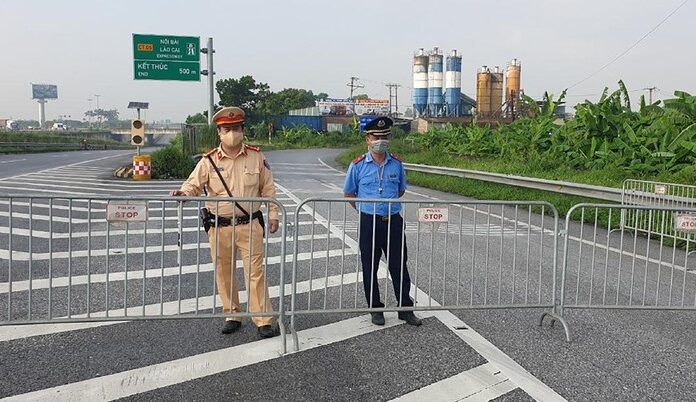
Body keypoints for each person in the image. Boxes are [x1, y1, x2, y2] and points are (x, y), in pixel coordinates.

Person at [170, 106, 280, 338]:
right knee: (224, 272)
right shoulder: (208, 161)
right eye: (227, 129)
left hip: (249, 224)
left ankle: (263, 319)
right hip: (219, 226)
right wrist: (184, 194)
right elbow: (193, 185)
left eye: (236, 128)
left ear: (243, 130)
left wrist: (273, 215)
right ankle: (232, 314)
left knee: (255, 272)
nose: (232, 133)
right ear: (219, 132)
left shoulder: (256, 157)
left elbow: (268, 189)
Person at [343, 116, 422, 327]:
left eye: (385, 136)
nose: (381, 140)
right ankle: (375, 309)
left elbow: (401, 190)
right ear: (367, 139)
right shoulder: (358, 165)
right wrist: (366, 209)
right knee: (370, 266)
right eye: (376, 137)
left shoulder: (396, 164)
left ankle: (405, 308)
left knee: (399, 266)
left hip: (393, 221)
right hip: (369, 222)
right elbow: (349, 194)